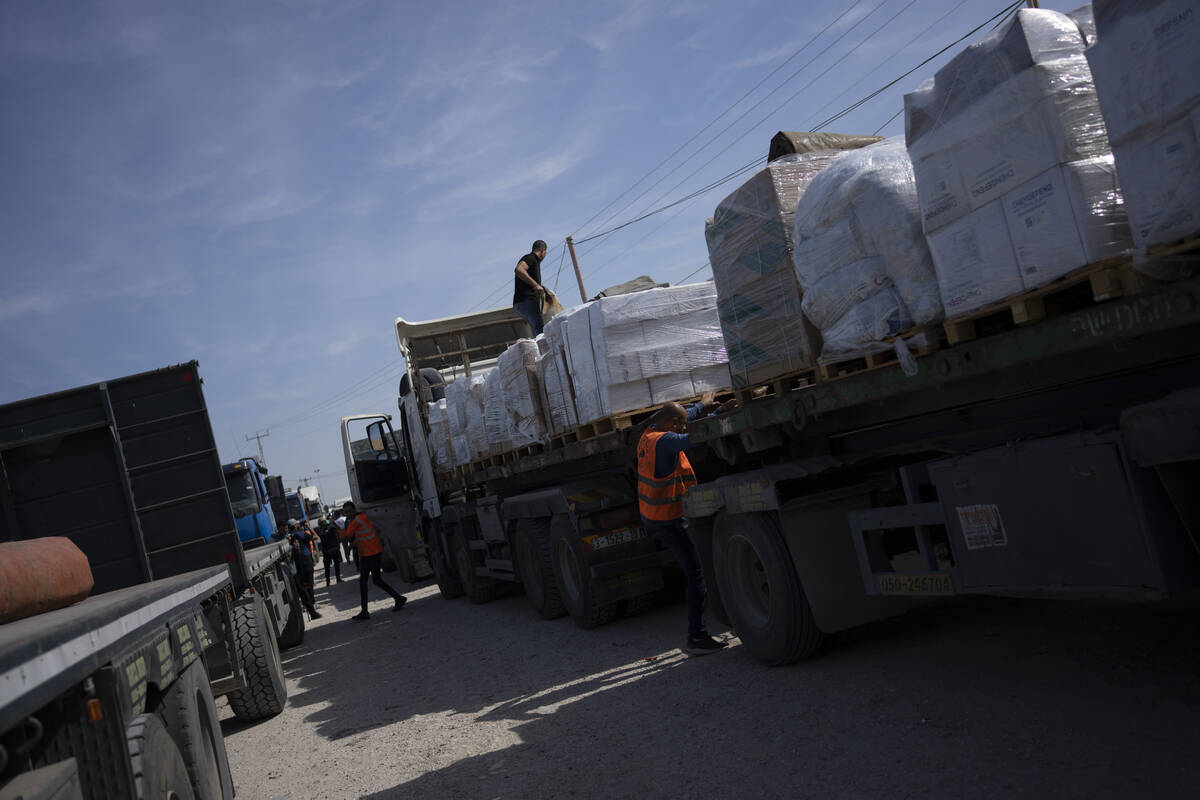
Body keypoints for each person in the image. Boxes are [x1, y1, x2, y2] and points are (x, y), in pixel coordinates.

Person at [636, 393, 736, 656]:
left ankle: (701, 632)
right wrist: (717, 414)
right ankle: (697, 636)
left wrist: (700, 406)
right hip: (667, 519)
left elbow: (683, 419)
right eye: (679, 424)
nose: (683, 426)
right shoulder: (666, 441)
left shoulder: (649, 433)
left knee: (693, 570)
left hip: (654, 515)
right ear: (670, 423)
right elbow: (693, 436)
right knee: (695, 573)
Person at [342, 501, 407, 620]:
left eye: (350, 511)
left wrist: (339, 527)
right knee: (365, 582)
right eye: (346, 512)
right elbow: (362, 536)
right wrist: (352, 545)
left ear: (354, 510)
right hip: (368, 553)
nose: (348, 514)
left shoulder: (356, 521)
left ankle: (398, 598)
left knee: (375, 580)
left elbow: (346, 534)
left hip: (372, 553)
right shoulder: (361, 518)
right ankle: (365, 611)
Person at [512, 239, 554, 336]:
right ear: (543, 251)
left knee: (537, 329)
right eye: (545, 253)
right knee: (540, 331)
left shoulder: (534, 261)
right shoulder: (531, 258)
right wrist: (536, 285)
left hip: (522, 303)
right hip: (526, 301)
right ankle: (544, 350)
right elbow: (519, 269)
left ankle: (540, 348)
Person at [287, 519, 322, 620]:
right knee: (309, 583)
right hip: (306, 561)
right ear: (295, 525)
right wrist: (308, 528)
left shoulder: (289, 536)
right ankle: (312, 603)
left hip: (296, 563)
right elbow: (315, 537)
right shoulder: (301, 534)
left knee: (303, 584)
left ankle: (308, 605)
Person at [318, 518, 344, 586]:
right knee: (328, 567)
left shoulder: (330, 527)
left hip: (332, 549)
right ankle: (328, 581)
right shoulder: (321, 530)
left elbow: (337, 530)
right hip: (328, 550)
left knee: (335, 565)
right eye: (323, 522)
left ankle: (336, 579)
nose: (324, 523)